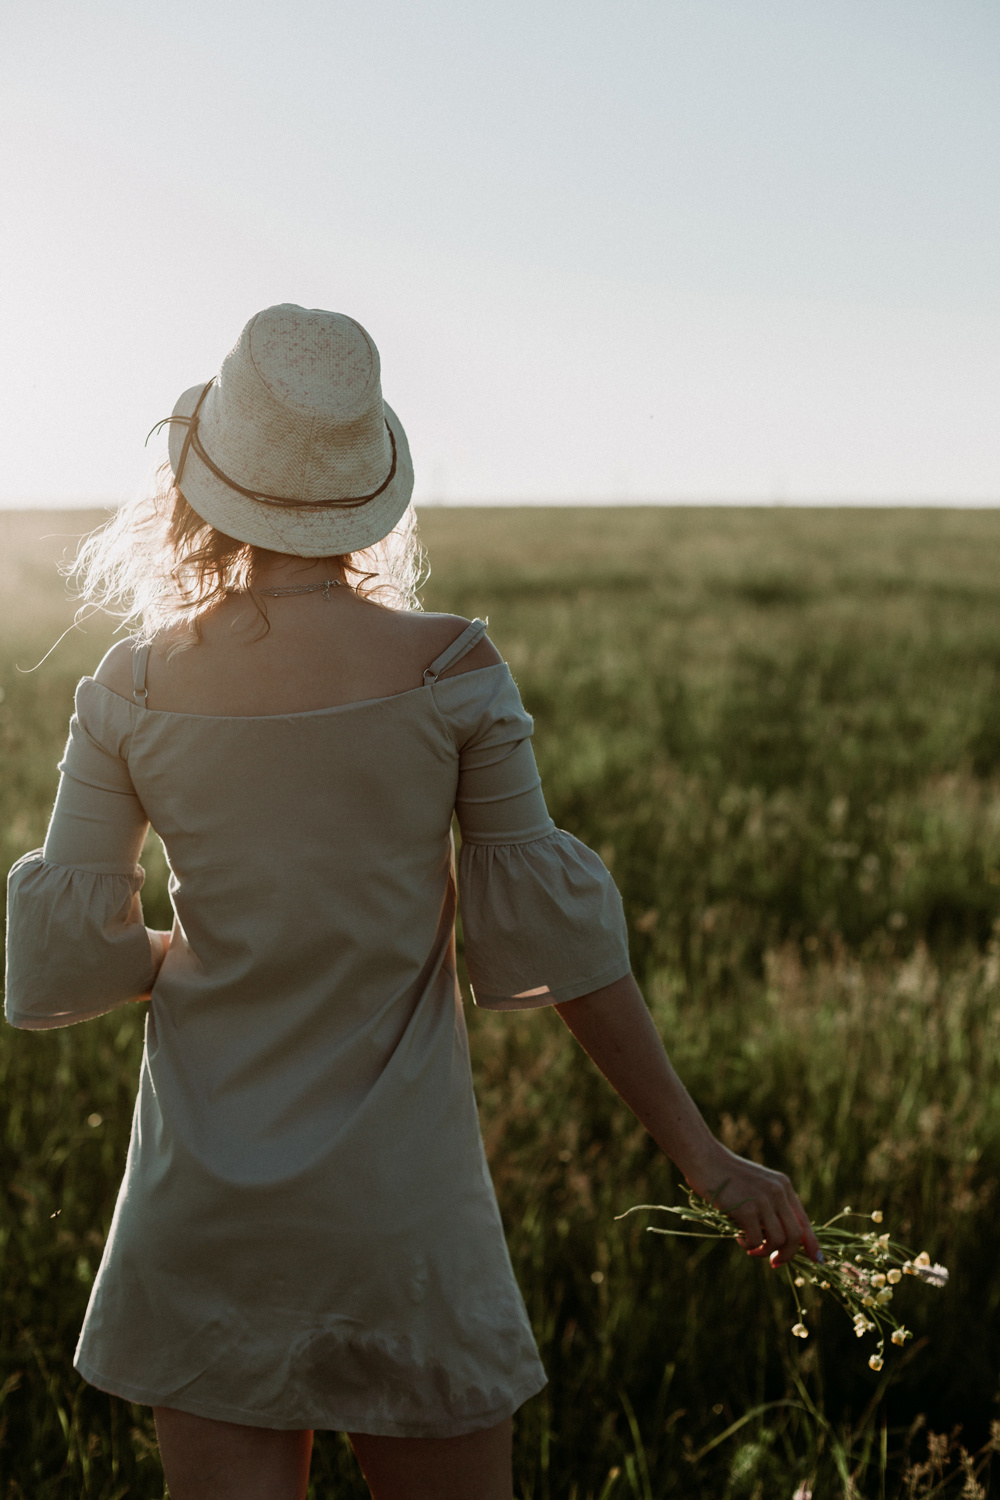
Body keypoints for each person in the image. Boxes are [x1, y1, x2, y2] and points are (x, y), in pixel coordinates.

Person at [4, 304, 820, 1500]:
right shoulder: (451, 670)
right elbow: (559, 945)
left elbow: (70, 960)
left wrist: (190, 948)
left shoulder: (125, 686)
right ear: (364, 486)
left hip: (204, 1208)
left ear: (206, 478)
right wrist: (706, 1159)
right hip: (400, 1214)